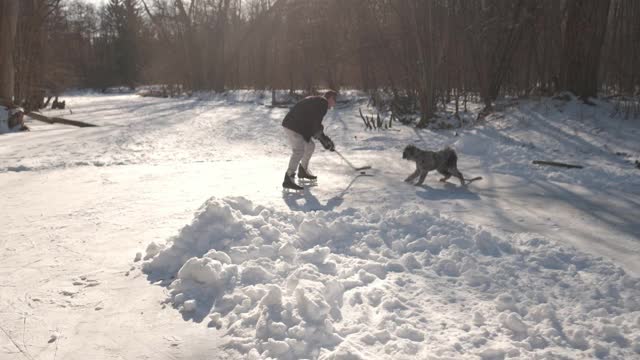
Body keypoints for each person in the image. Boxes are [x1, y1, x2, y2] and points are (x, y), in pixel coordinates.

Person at [281, 90, 338, 190]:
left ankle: (303, 170)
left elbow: (312, 122)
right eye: (334, 100)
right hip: (293, 126)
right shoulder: (322, 103)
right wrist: (324, 140)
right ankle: (288, 178)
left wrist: (324, 139)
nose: (335, 103)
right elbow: (315, 123)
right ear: (330, 98)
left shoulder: (318, 102)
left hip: (296, 126)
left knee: (310, 146)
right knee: (298, 151)